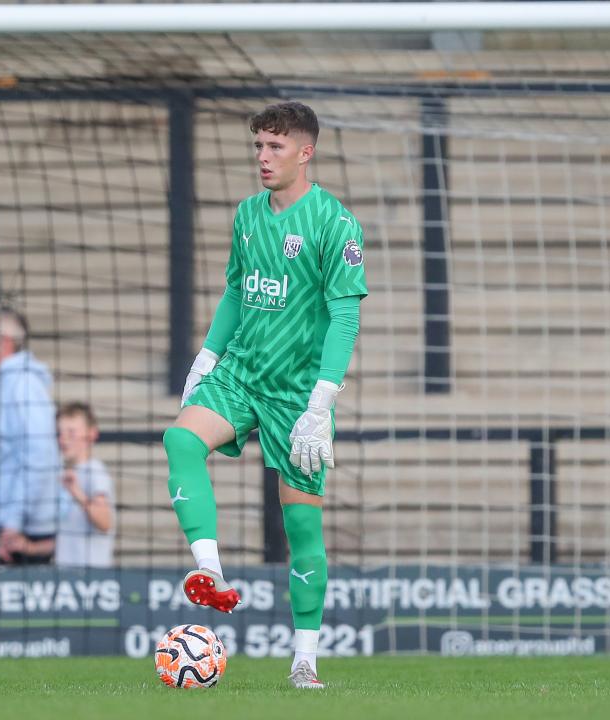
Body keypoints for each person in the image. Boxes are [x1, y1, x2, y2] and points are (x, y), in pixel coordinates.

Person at [163, 101, 366, 689]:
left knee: (302, 529)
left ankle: (305, 659)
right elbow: (235, 292)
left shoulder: (335, 223)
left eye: (275, 147)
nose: (262, 157)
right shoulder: (248, 214)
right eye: (258, 146)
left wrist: (321, 403)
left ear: (307, 152)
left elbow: (344, 320)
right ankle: (210, 572)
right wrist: (206, 358)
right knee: (179, 439)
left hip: (296, 395)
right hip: (243, 374)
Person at [0, 301, 60, 566]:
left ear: (5, 342)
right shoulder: (9, 385)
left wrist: (12, 525)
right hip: (10, 529)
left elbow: (39, 455)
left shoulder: (22, 386)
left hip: (17, 536)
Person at [11, 402, 117, 567]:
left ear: (91, 434)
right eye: (59, 433)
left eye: (71, 432)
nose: (63, 439)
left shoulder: (95, 471)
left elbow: (105, 522)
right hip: (66, 575)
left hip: (91, 575)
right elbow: (67, 539)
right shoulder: (64, 473)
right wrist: (30, 548)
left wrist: (77, 493)